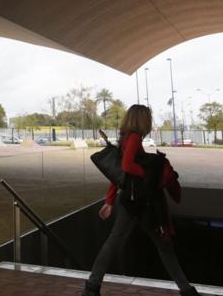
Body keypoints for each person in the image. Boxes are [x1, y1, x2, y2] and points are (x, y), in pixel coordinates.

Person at [84, 104, 199, 296]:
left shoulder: (127, 138)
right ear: (143, 119)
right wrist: (148, 174)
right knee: (163, 244)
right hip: (141, 202)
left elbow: (119, 176)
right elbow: (127, 166)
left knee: (116, 242)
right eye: (149, 117)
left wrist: (110, 201)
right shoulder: (135, 137)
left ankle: (92, 286)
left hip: (129, 200)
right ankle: (187, 290)